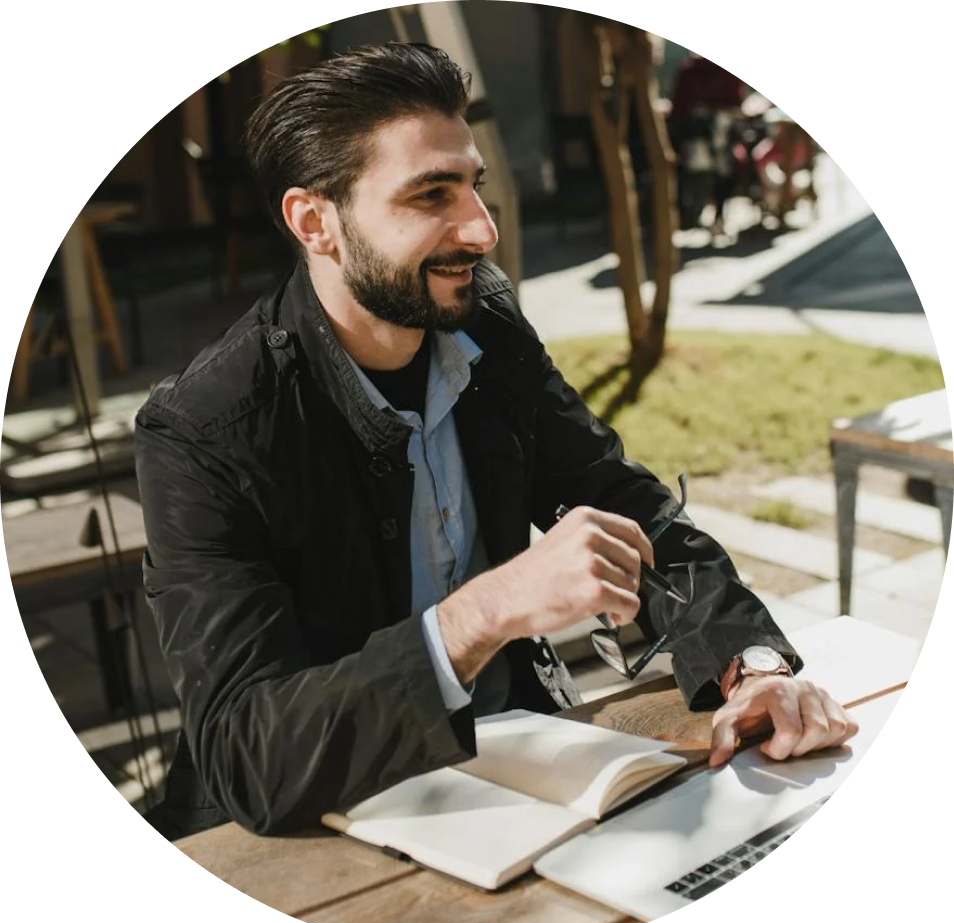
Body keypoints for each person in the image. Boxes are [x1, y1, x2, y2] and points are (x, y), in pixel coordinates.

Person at [134, 42, 858, 842]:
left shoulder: (482, 319)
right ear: (316, 222)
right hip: (306, 836)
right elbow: (249, 756)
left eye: (472, 186)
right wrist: (485, 612)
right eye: (430, 194)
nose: (480, 230)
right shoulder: (202, 431)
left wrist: (748, 662)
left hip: (516, 779)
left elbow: (623, 505)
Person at [668, 51, 747, 236]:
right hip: (700, 141)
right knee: (725, 167)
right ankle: (711, 215)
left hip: (708, 140)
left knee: (725, 164)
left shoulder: (689, 69)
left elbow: (677, 106)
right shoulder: (689, 70)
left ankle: (711, 215)